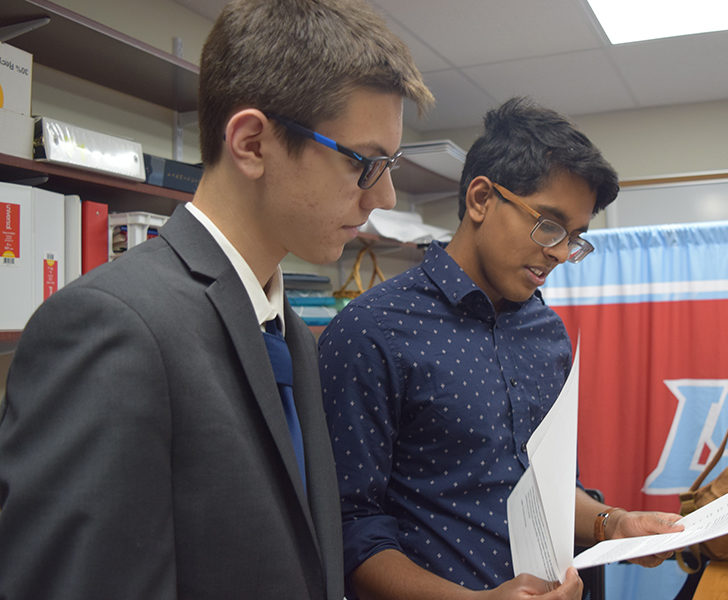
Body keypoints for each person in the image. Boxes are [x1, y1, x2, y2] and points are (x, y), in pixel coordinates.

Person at [0, 1, 432, 598]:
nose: (382, 195)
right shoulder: (113, 327)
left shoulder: (287, 332)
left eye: (391, 165)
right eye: (365, 164)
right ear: (252, 143)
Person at [318, 97, 683, 600]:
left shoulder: (546, 332)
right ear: (481, 199)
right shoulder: (369, 334)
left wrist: (613, 523)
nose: (558, 253)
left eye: (574, 238)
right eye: (549, 224)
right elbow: (350, 531)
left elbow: (548, 489)